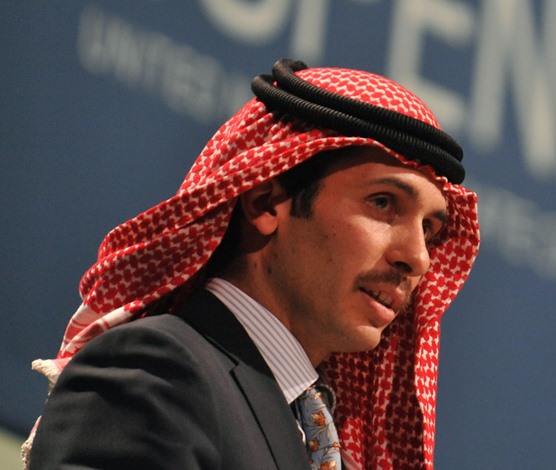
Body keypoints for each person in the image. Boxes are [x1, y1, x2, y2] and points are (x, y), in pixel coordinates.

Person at [23, 59, 480, 469]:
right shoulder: (156, 373)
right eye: (383, 203)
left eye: (429, 229)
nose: (417, 258)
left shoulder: (317, 434)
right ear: (264, 202)